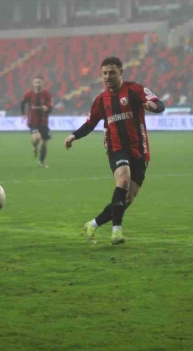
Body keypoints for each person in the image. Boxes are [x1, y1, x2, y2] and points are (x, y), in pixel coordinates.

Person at [64, 57, 164, 245]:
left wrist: (153, 107)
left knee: (127, 198)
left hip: (140, 150)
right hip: (116, 148)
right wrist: (73, 136)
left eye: (112, 72)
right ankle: (116, 231)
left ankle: (92, 224)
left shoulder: (135, 90)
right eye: (104, 73)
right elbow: (90, 124)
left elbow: (159, 103)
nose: (108, 76)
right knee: (123, 180)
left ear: (120, 72)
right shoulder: (101, 101)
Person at [21, 76, 53, 168]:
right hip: (33, 122)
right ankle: (34, 146)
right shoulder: (29, 94)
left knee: (44, 144)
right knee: (37, 138)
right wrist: (23, 114)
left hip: (44, 122)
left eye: (39, 82)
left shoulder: (46, 94)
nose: (38, 84)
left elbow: (50, 107)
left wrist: (47, 108)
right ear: (33, 84)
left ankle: (41, 162)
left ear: (42, 83)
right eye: (36, 82)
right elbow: (22, 103)